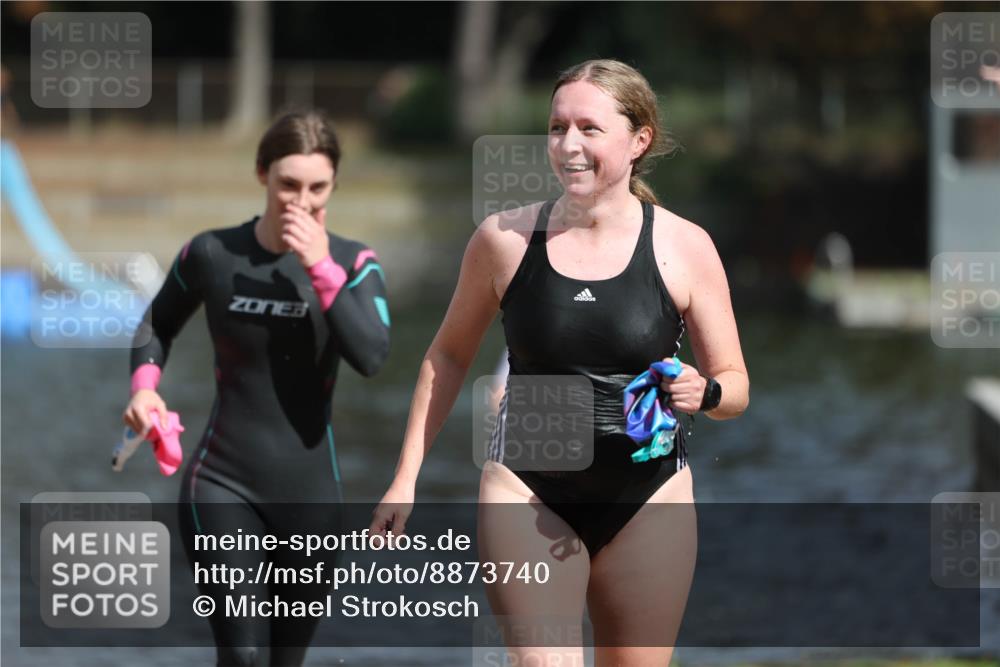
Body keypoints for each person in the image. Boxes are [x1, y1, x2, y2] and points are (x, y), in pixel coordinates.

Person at [370, 59, 748, 665]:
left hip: (649, 495)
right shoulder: (504, 240)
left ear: (639, 139)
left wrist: (704, 392)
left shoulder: (684, 245)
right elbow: (447, 355)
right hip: (527, 489)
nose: (568, 145)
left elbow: (735, 388)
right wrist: (406, 475)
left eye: (589, 129)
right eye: (556, 127)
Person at [121, 109, 390, 667]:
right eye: (288, 183)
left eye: (318, 187)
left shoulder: (354, 262)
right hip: (222, 481)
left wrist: (318, 268)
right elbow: (156, 326)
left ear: (334, 185)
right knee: (242, 655)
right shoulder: (213, 253)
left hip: (310, 496)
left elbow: (370, 355)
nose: (302, 200)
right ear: (262, 174)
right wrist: (145, 389)